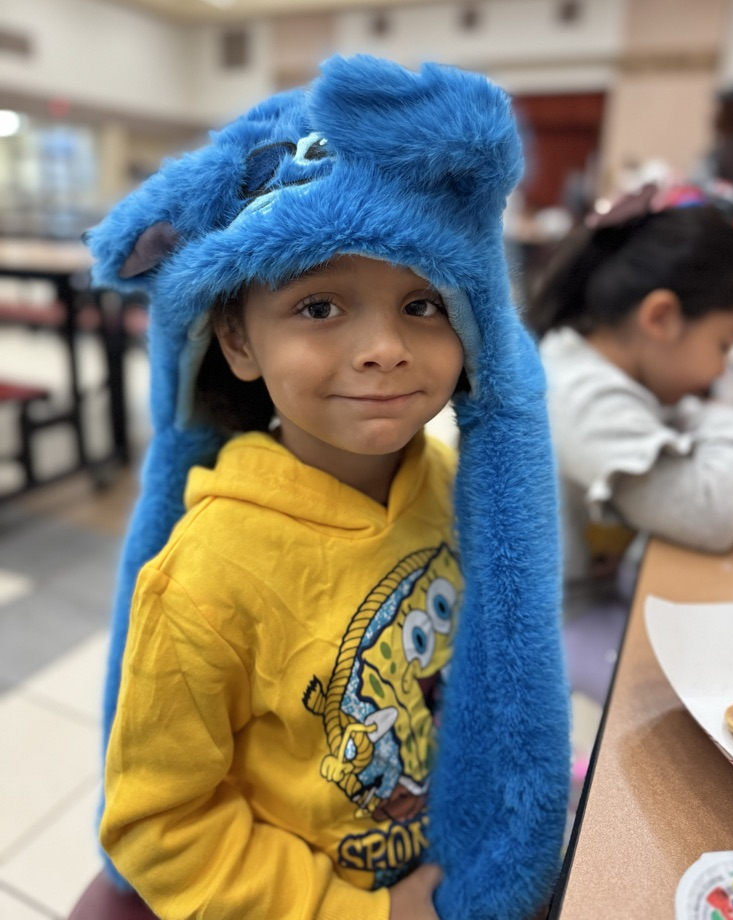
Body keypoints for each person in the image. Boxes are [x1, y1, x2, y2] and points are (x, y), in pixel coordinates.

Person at [86, 54, 571, 920]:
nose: (385, 347)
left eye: (423, 305)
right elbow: (159, 826)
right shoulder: (203, 578)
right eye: (320, 306)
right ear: (237, 341)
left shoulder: (452, 487)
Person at [527, 184, 733, 594]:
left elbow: (689, 419)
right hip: (554, 621)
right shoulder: (580, 398)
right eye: (726, 343)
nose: (723, 368)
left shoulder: (619, 375)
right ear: (662, 317)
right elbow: (711, 512)